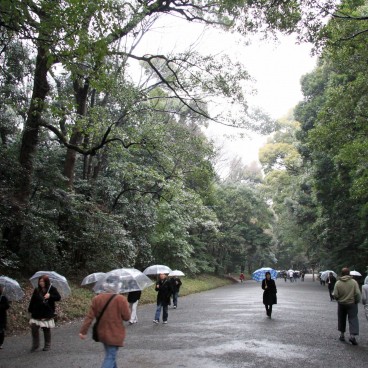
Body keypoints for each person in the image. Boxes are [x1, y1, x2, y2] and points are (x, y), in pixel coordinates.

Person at [79, 290, 131, 368]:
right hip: (115, 334)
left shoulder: (97, 298)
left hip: (102, 333)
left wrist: (83, 331)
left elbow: (89, 317)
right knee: (110, 356)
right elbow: (127, 317)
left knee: (110, 355)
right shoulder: (121, 299)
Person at [28, 275, 61, 352]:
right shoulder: (37, 290)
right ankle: (35, 344)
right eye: (40, 281)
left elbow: (58, 297)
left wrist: (50, 296)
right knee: (34, 328)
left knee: (46, 329)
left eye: (42, 281)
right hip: (36, 312)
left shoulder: (52, 289)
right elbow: (32, 301)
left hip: (47, 312)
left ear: (46, 281)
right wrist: (30, 310)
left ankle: (47, 344)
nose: (41, 283)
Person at [333, 267, 361, 345]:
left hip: (341, 304)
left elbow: (335, 294)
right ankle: (352, 336)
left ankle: (342, 335)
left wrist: (338, 299)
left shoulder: (338, 283)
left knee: (341, 318)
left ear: (341, 273)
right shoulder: (354, 282)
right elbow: (358, 293)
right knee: (353, 318)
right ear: (349, 273)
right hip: (352, 303)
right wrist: (357, 301)